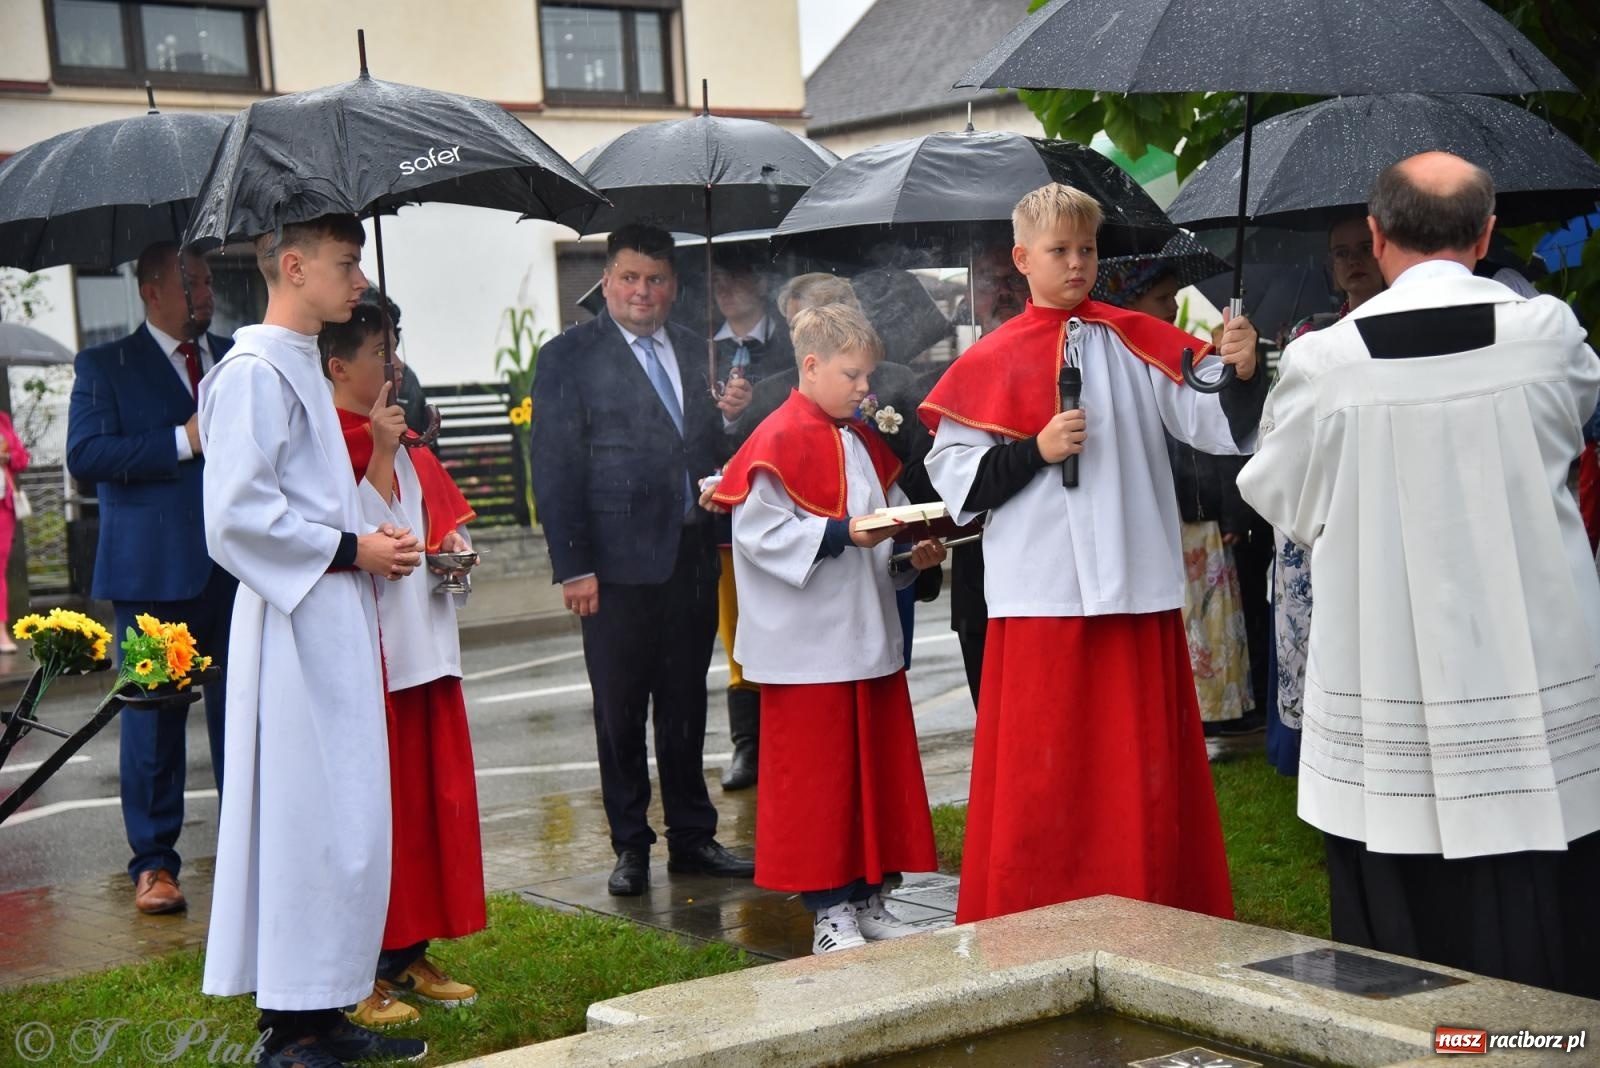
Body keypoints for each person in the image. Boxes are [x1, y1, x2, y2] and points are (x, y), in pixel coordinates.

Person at [1238, 152, 1600, 999]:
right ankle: (1551, 1041)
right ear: (1486, 233)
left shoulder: (1327, 362)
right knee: (1543, 882)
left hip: (1384, 658)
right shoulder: (1547, 333)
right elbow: (1577, 418)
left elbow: (1283, 499)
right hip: (1529, 658)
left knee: (1397, 914)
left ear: (1374, 234)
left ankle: (1416, 1042)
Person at [919, 183, 1264, 924]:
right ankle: (1034, 909)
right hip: (1041, 594)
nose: (1077, 264)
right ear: (1022, 259)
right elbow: (958, 485)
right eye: (1059, 251)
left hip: (1135, 583)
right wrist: (1036, 451)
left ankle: (1148, 903)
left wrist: (1240, 370)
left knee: (1134, 768)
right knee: (1044, 773)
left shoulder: (1137, 337)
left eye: (1087, 249)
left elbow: (1213, 421)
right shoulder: (988, 360)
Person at [199, 213, 426, 1068]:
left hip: (332, 615)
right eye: (343, 263)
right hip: (292, 633)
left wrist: (377, 535)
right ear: (292, 268)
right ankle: (292, 1029)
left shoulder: (297, 364)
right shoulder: (254, 373)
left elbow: (319, 504)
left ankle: (326, 1007)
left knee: (349, 818)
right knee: (306, 818)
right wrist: (351, 549)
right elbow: (236, 520)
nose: (358, 280)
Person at [710, 303, 943, 953]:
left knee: (872, 781)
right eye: (854, 376)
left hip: (864, 640)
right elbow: (758, 536)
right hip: (807, 652)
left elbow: (888, 527)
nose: (867, 389)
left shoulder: (862, 440)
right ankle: (829, 914)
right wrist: (839, 532)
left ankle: (870, 900)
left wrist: (909, 555)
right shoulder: (777, 438)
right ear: (811, 366)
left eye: (868, 377)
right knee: (820, 791)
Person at [531, 223, 755, 898]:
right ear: (606, 281)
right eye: (629, 278)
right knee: (620, 712)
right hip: (614, 568)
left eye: (656, 280)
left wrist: (733, 421)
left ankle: (693, 836)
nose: (642, 292)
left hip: (688, 558)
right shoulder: (569, 356)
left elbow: (706, 451)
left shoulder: (695, 350)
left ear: (673, 286)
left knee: (686, 705)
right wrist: (573, 566)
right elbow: (555, 465)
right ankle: (631, 844)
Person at [320, 301, 485, 1028]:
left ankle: (406, 952)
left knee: (424, 812)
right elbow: (349, 539)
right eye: (380, 353)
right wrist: (381, 451)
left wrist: (452, 556)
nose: (396, 365)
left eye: (396, 349)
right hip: (372, 658)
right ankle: (360, 965)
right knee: (374, 818)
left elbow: (430, 531)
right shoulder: (326, 440)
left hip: (425, 651)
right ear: (338, 367)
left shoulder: (408, 438)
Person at [65, 241, 238, 914]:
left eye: (210, 281)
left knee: (242, 716)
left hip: (236, 573)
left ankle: (250, 848)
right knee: (154, 724)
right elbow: (85, 453)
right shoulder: (106, 365)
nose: (207, 294)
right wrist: (182, 439)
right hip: (152, 582)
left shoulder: (233, 358)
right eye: (193, 283)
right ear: (152, 291)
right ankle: (155, 865)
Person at [1095, 260, 1256, 734]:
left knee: (1210, 616)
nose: (1172, 306)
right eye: (1161, 298)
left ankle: (1216, 709)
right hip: (1155, 519)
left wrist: (1240, 374)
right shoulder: (1114, 359)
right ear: (1131, 300)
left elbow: (1216, 436)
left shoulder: (1176, 352)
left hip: (1195, 511)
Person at [1267, 213, 1387, 776]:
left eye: (1365, 247)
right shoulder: (1311, 339)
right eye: (1343, 252)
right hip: (1323, 507)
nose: (1355, 260)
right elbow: (1276, 436)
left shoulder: (1409, 328)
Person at [707, 254, 795, 791]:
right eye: (719, 279)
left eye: (739, 273)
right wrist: (726, 418)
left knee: (787, 623)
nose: (728, 287)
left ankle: (789, 735)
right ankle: (748, 745)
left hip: (783, 502)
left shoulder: (789, 342)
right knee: (737, 630)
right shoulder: (701, 349)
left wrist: (751, 411)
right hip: (727, 514)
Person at [0, 411, 29, 655]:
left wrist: (7, 455)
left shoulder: (2, 421)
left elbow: (22, 460)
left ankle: (1, 632)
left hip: (3, 507)